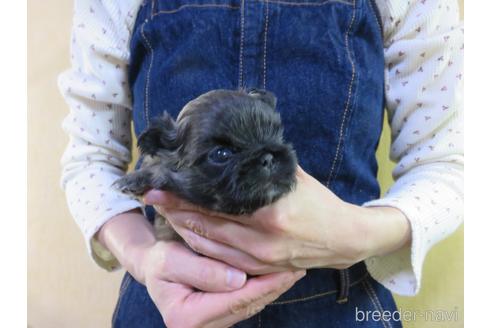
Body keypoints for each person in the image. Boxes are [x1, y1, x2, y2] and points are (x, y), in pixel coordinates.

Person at [58, 0, 463, 327]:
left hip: (341, 304)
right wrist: (144, 258)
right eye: (221, 154)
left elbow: (450, 163)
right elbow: (90, 159)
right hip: (166, 304)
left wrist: (357, 235)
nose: (267, 159)